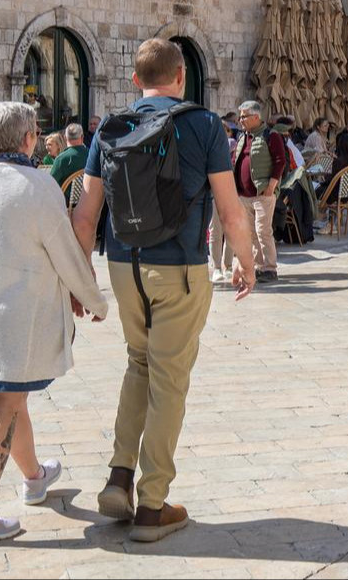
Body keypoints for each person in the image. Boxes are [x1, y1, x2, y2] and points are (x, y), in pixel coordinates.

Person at [72, 38, 256, 544]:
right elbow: (230, 206)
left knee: (139, 364)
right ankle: (152, 505)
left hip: (122, 267)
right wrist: (246, 261)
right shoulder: (202, 124)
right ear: (181, 77)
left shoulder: (111, 127)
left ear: (136, 81)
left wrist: (79, 281)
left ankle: (118, 476)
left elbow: (85, 216)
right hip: (178, 269)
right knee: (169, 381)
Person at [0, 102, 107, 547]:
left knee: (13, 400)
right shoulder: (37, 185)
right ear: (29, 138)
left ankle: (34, 478)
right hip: (15, 318)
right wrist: (94, 300)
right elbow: (66, 253)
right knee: (3, 406)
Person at [232, 101, 286, 283]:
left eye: (244, 116)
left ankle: (270, 269)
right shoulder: (242, 137)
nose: (240, 120)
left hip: (262, 193)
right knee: (251, 233)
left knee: (263, 231)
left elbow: (280, 161)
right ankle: (259, 266)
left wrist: (271, 186)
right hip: (244, 194)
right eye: (240, 116)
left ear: (256, 117)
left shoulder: (271, 136)